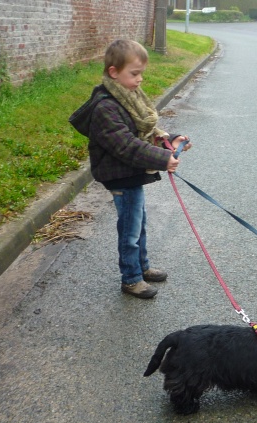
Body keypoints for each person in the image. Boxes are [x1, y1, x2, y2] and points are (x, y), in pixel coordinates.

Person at [88, 39, 191, 299]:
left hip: (131, 174)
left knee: (138, 223)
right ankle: (131, 278)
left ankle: (141, 266)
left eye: (141, 73)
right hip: (120, 175)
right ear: (114, 72)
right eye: (134, 74)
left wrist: (170, 140)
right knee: (130, 229)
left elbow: (142, 134)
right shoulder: (105, 107)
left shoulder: (126, 98)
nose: (140, 79)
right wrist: (162, 159)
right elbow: (127, 145)